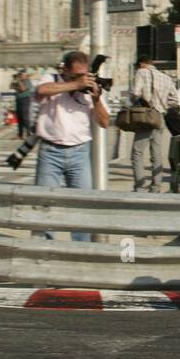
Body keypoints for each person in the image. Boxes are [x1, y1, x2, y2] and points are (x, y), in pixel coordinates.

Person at [33, 51, 110, 239]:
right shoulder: (52, 79)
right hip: (50, 151)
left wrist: (96, 99)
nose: (83, 79)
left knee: (81, 205)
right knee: (45, 205)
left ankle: (79, 250)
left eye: (85, 74)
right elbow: (40, 91)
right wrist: (75, 84)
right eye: (76, 75)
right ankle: (44, 250)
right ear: (64, 70)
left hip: (79, 152)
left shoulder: (89, 87)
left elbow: (104, 122)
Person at [129, 55, 178, 193]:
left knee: (137, 152)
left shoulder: (141, 72)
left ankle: (140, 186)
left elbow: (135, 93)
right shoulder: (166, 77)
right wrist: (162, 106)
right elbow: (175, 99)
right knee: (156, 153)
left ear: (141, 63)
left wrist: (134, 102)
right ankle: (156, 186)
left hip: (146, 117)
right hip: (160, 117)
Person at [12, 69, 33, 139]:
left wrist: (19, 81)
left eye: (21, 75)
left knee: (25, 117)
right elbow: (11, 86)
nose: (20, 76)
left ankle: (29, 133)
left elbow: (23, 88)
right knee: (19, 117)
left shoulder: (28, 81)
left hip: (25, 99)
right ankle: (20, 134)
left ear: (25, 75)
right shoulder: (19, 81)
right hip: (18, 100)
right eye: (20, 75)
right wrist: (15, 80)